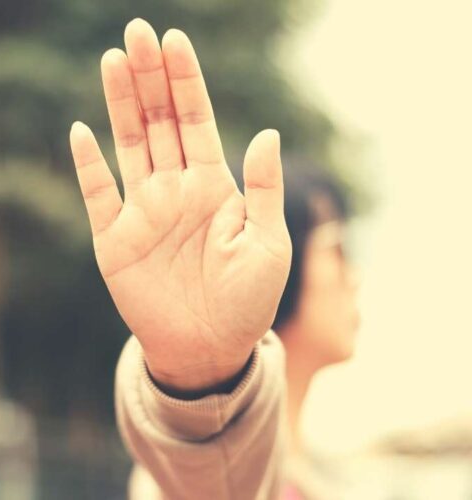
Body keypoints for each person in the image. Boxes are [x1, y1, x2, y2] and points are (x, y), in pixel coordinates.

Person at [69, 18, 358, 499]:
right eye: (338, 248)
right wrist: (201, 384)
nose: (356, 277)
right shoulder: (179, 483)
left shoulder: (325, 480)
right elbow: (214, 480)